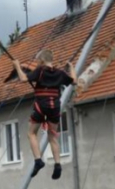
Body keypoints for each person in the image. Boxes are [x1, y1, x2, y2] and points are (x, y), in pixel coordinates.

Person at [12, 50, 77, 179]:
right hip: (55, 107)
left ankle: (38, 160)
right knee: (52, 136)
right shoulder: (60, 73)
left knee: (31, 133)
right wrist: (71, 67)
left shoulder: (40, 71)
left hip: (42, 105)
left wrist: (17, 66)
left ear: (41, 60)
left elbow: (23, 78)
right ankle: (58, 164)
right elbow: (74, 81)